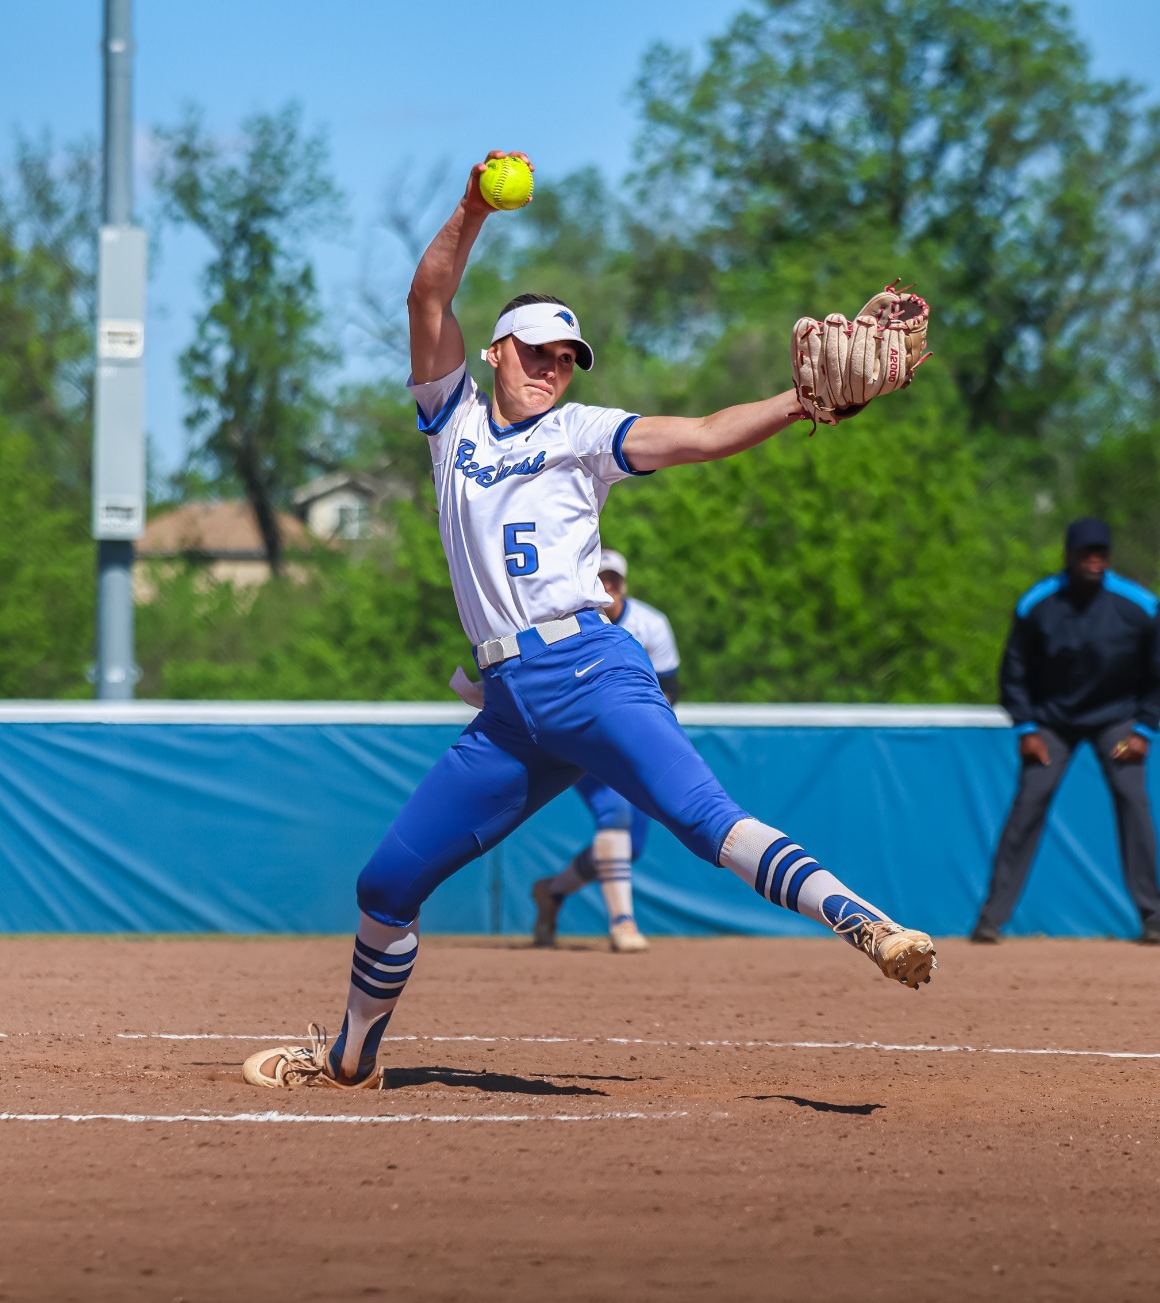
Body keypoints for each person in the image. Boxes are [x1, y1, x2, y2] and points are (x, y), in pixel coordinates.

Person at [241, 151, 936, 1091]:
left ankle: (869, 923)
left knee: (702, 818)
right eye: (536, 351)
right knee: (385, 885)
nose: (552, 369)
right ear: (496, 352)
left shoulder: (581, 433)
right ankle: (351, 1056)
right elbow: (427, 294)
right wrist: (471, 204)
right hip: (511, 708)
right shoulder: (453, 424)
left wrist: (802, 401)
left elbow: (699, 434)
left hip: (589, 668)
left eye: (566, 357)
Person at [971, 518, 1160, 946]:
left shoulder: (1138, 604)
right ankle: (991, 919)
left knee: (1133, 802)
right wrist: (1027, 727)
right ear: (1068, 555)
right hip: (1051, 721)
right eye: (1086, 552)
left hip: (1118, 719)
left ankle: (1154, 919)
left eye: (1101, 552)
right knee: (1028, 803)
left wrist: (1144, 729)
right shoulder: (1039, 603)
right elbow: (1013, 672)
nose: (1094, 559)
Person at [528, 547, 680, 954]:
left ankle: (553, 892)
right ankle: (622, 922)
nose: (608, 586)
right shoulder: (565, 623)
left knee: (629, 848)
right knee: (615, 814)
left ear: (624, 584)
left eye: (614, 580)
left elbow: (670, 689)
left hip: (635, 738)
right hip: (579, 733)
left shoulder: (650, 623)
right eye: (601, 579)